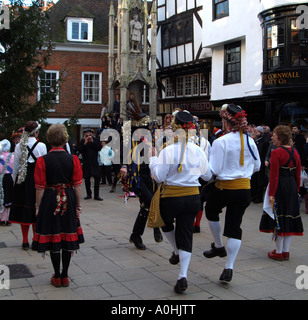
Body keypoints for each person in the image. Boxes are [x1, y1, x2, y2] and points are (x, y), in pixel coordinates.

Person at [149, 111, 211, 293]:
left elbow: (159, 177)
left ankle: (176, 250)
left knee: (164, 222)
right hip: (193, 198)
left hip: (171, 197)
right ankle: (182, 276)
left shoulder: (167, 150)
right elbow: (207, 175)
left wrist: (152, 160)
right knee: (186, 233)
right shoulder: (198, 150)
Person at [203, 104, 261, 283]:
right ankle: (229, 266)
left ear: (227, 123)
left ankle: (219, 246)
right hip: (244, 189)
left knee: (211, 210)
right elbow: (257, 166)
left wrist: (202, 165)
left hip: (224, 187)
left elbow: (214, 169)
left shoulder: (221, 141)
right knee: (235, 227)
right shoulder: (250, 141)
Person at [32, 124, 84, 287]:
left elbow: (39, 188)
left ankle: (57, 275)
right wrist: (78, 205)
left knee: (54, 234)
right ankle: (65, 275)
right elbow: (77, 186)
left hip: (50, 199)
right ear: (65, 139)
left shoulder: (42, 160)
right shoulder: (73, 159)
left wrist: (38, 206)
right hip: (68, 197)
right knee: (67, 233)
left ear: (49, 140)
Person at [120, 101, 163, 250]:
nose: (146, 131)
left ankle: (136, 235)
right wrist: (124, 166)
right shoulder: (130, 139)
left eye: (147, 128)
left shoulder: (151, 139)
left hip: (150, 175)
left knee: (145, 207)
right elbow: (125, 153)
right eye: (143, 128)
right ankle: (157, 227)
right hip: (136, 176)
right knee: (151, 202)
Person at [259, 125, 303, 260]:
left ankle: (278, 251)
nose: (272, 137)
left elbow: (274, 176)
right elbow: (298, 174)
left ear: (280, 138)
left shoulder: (276, 152)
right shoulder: (295, 152)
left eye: (275, 135)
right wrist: (297, 190)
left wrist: (271, 194)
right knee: (290, 217)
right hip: (291, 186)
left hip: (280, 187)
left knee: (278, 217)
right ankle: (286, 250)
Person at [9, 121, 47, 250]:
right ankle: (35, 239)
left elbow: (16, 166)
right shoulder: (41, 145)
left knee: (24, 211)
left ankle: (25, 241)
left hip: (23, 179)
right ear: (36, 133)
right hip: (36, 179)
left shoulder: (19, 145)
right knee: (36, 209)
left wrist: (15, 181)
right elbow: (44, 165)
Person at [77, 128, 103, 201]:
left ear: (91, 133)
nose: (88, 134)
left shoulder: (96, 140)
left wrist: (92, 142)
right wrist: (85, 143)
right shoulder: (83, 141)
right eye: (86, 133)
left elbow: (99, 148)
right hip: (86, 162)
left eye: (89, 133)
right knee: (87, 179)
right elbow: (79, 150)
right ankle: (89, 194)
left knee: (97, 179)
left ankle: (96, 195)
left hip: (94, 162)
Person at [0, 139, 14, 226]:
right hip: (9, 178)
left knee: (1, 196)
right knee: (8, 197)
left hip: (0, 177)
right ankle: (8, 218)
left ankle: (1, 218)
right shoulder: (12, 156)